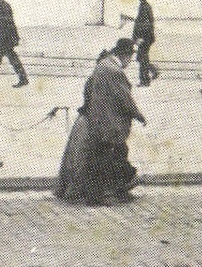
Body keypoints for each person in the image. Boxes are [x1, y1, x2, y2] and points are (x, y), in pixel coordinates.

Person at [55, 39, 146, 205]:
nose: (129, 62)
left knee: (108, 157)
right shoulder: (115, 72)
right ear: (125, 55)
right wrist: (139, 115)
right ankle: (101, 195)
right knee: (105, 159)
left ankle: (116, 191)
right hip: (108, 124)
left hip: (96, 122)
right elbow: (124, 98)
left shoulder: (101, 67)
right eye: (130, 58)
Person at [0, 0, 28, 87]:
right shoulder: (2, 6)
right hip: (7, 37)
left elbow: (8, 21)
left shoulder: (3, 6)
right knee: (11, 58)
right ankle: (23, 79)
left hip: (7, 37)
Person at [131, 0, 159, 87]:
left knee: (142, 58)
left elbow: (144, 24)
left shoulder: (144, 7)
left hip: (145, 37)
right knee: (142, 58)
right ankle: (153, 70)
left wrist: (139, 37)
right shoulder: (145, 6)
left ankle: (145, 81)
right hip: (147, 37)